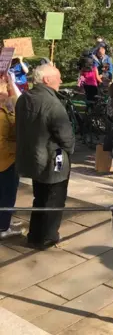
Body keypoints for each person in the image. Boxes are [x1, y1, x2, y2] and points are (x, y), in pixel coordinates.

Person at [15, 65, 75, 250]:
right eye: (58, 77)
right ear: (47, 80)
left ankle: (34, 236)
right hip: (53, 160)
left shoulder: (24, 98)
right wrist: (69, 148)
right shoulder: (53, 104)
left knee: (39, 198)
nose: (61, 81)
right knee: (54, 199)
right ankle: (48, 237)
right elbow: (66, 137)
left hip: (34, 158)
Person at [0, 73, 23, 240]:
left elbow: (17, 106)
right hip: (5, 160)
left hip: (6, 159)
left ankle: (5, 222)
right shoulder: (2, 113)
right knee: (7, 194)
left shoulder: (4, 107)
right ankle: (3, 227)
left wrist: (10, 84)